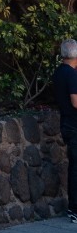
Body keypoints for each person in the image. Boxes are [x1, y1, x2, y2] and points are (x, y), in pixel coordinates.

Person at [53, 37, 77, 222]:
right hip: (75, 125)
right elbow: (75, 102)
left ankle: (72, 208)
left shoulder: (58, 72)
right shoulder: (71, 75)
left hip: (66, 123)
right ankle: (75, 210)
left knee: (73, 167)